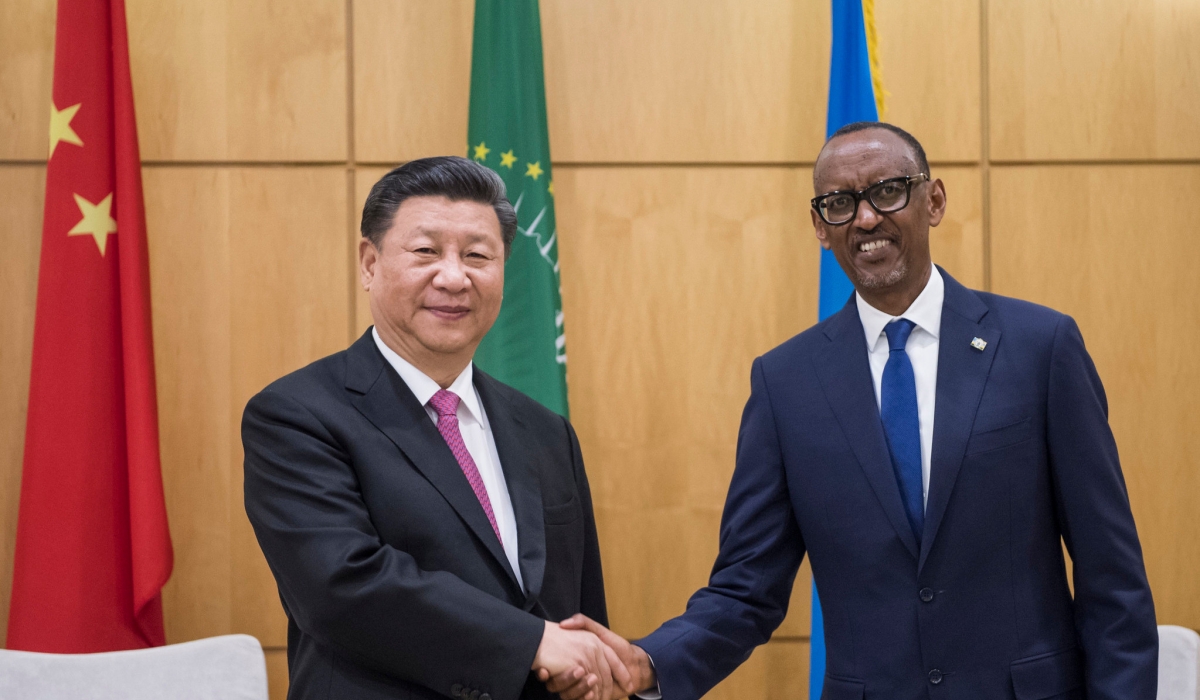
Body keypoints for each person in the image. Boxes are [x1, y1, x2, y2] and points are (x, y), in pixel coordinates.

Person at [553, 123, 1158, 700]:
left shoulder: (1039, 348)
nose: (866, 218)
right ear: (820, 227)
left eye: (887, 191)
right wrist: (650, 661)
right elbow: (746, 589)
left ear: (934, 200)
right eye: (839, 203)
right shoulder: (785, 384)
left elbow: (1113, 580)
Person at [242, 156, 628, 700]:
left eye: (477, 256)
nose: (453, 276)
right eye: (425, 251)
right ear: (369, 263)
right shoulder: (296, 415)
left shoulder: (546, 431)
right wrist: (528, 641)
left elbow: (579, 618)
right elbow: (341, 587)